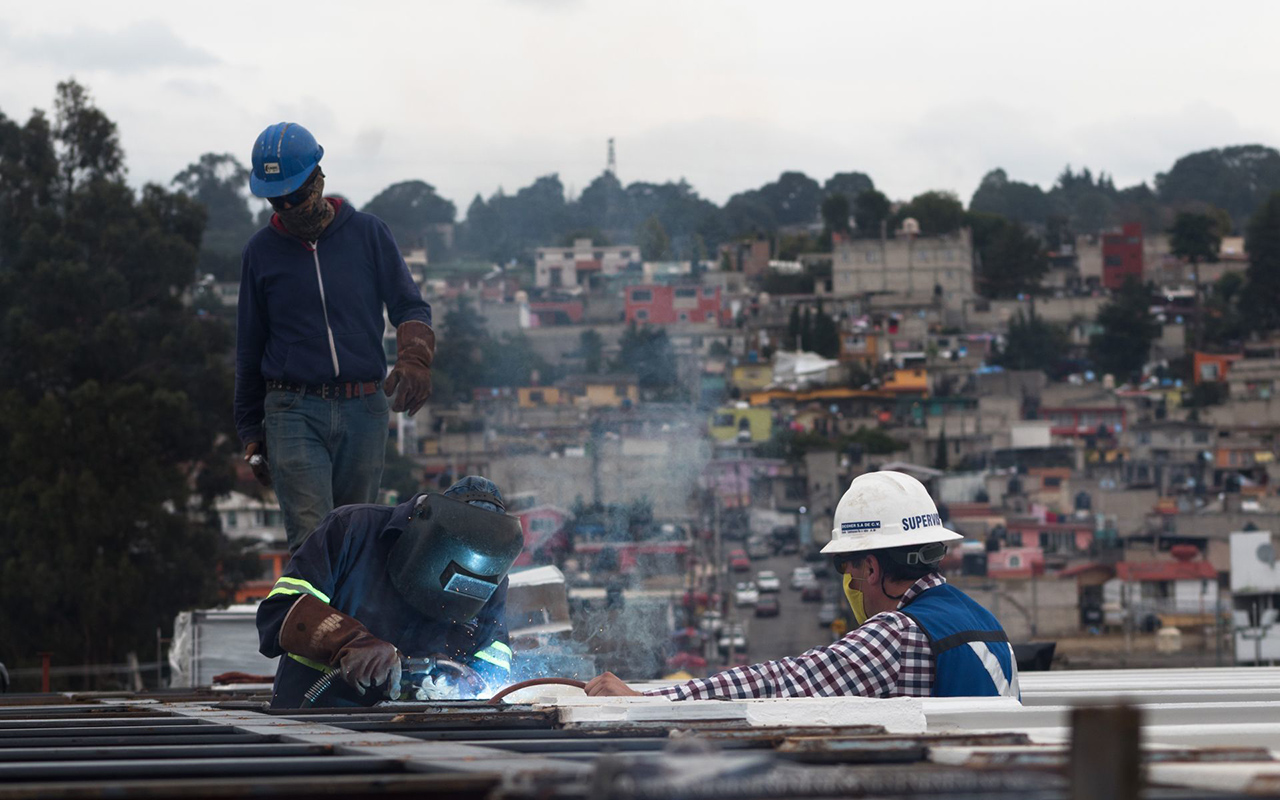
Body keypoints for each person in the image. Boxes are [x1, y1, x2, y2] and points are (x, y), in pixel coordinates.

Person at [585, 471, 1019, 700]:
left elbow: (782, 681)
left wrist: (652, 698)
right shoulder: (982, 619)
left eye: (847, 571)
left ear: (870, 567)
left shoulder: (897, 636)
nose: (850, 584)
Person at [235, 121, 435, 553]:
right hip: (292, 410)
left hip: (364, 407)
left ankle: (350, 622)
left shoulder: (368, 234)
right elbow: (249, 347)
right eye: (277, 199)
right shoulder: (261, 253)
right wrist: (251, 428)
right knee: (313, 542)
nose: (289, 206)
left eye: (297, 195)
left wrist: (415, 357)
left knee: (354, 541)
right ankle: (317, 623)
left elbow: (410, 305)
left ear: (319, 178)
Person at [256, 476, 523, 708]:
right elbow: (279, 613)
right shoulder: (351, 528)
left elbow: (495, 656)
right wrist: (350, 641)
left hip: (411, 734)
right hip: (312, 720)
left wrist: (466, 682)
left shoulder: (491, 572)